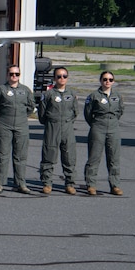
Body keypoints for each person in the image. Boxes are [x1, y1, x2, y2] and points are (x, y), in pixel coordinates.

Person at [0, 64, 36, 194]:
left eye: (17, 74)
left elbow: (31, 107)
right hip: (4, 124)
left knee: (20, 156)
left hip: (21, 125)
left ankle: (21, 183)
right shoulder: (0, 90)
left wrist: (21, 117)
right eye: (12, 74)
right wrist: (3, 117)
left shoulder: (25, 90)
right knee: (2, 155)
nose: (14, 76)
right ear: (7, 75)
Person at [37, 66, 78, 195]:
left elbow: (75, 112)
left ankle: (70, 184)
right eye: (59, 76)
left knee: (69, 157)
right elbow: (42, 114)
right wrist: (51, 123)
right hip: (52, 127)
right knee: (49, 155)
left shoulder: (71, 94)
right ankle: (47, 183)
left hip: (67, 128)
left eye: (64, 76)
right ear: (54, 78)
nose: (62, 78)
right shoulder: (48, 94)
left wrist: (67, 122)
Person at [84, 71, 124, 196]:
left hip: (113, 127)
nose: (108, 82)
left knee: (114, 158)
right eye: (105, 79)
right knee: (94, 157)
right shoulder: (94, 96)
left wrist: (111, 121)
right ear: (101, 81)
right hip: (98, 127)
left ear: (113, 81)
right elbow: (88, 113)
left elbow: (120, 111)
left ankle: (115, 185)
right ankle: (91, 184)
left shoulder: (117, 96)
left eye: (110, 79)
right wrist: (96, 123)